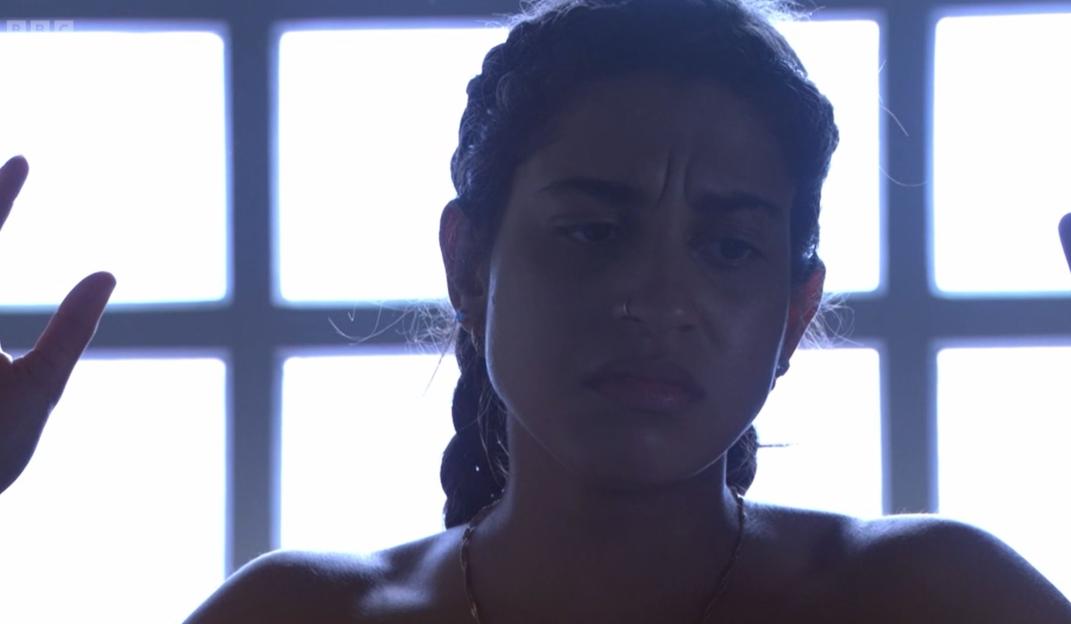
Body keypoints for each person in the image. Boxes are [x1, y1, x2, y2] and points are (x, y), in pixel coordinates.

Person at [2, 0, 1071, 622]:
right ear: (467, 262)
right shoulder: (298, 617)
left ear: (795, 314)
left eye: (731, 245)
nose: (659, 299)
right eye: (591, 230)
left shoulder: (933, 598)